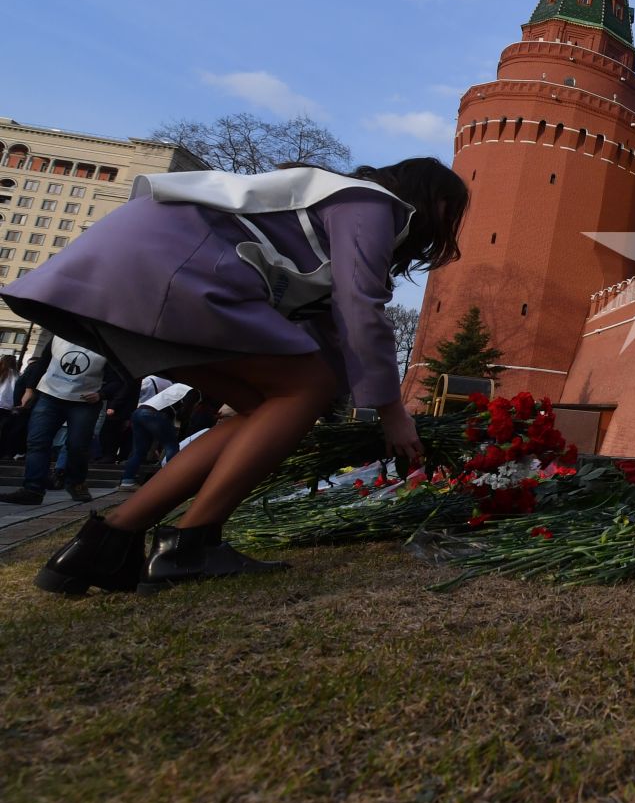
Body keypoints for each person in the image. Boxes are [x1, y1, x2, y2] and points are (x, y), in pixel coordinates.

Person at [1, 158, 467, 595]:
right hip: (169, 272)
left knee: (266, 407)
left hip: (126, 274)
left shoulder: (327, 202)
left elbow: (330, 334)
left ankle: (103, 545)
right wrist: (391, 413)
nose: (442, 232)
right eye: (451, 214)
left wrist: (328, 403)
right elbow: (358, 310)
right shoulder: (369, 202)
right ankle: (190, 546)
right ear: (431, 199)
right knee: (307, 387)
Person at [5, 334, 107, 504]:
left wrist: (102, 394)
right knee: (37, 442)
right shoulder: (59, 336)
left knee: (77, 446)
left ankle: (76, 482)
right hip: (49, 394)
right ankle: (33, 489)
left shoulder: (107, 344)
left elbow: (120, 377)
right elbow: (43, 362)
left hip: (84, 401)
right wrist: (30, 389)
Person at [119, 374, 193, 488]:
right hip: (155, 413)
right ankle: (171, 479)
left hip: (139, 412)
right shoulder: (191, 389)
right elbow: (184, 412)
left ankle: (127, 481)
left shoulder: (176, 386)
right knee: (171, 446)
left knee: (139, 450)